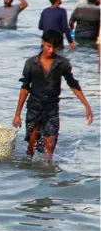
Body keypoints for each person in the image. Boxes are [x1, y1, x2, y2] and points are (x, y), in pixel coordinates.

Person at [12, 30, 93, 163]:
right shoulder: (31, 63)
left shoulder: (62, 63)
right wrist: (17, 114)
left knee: (50, 143)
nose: (51, 50)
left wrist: (87, 106)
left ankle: (49, 172)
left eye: (54, 48)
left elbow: (73, 84)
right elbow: (25, 88)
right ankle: (30, 169)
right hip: (34, 107)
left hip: (52, 108)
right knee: (32, 145)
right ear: (43, 43)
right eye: (49, 46)